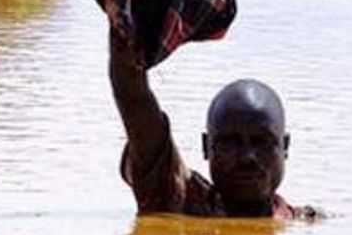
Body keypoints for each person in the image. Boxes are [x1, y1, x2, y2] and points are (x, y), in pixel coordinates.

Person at [109, 28, 311, 219]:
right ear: (206, 147)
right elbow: (133, 95)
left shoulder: (306, 222)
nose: (247, 157)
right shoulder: (179, 201)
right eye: (230, 142)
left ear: (285, 147)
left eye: (261, 141)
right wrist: (124, 26)